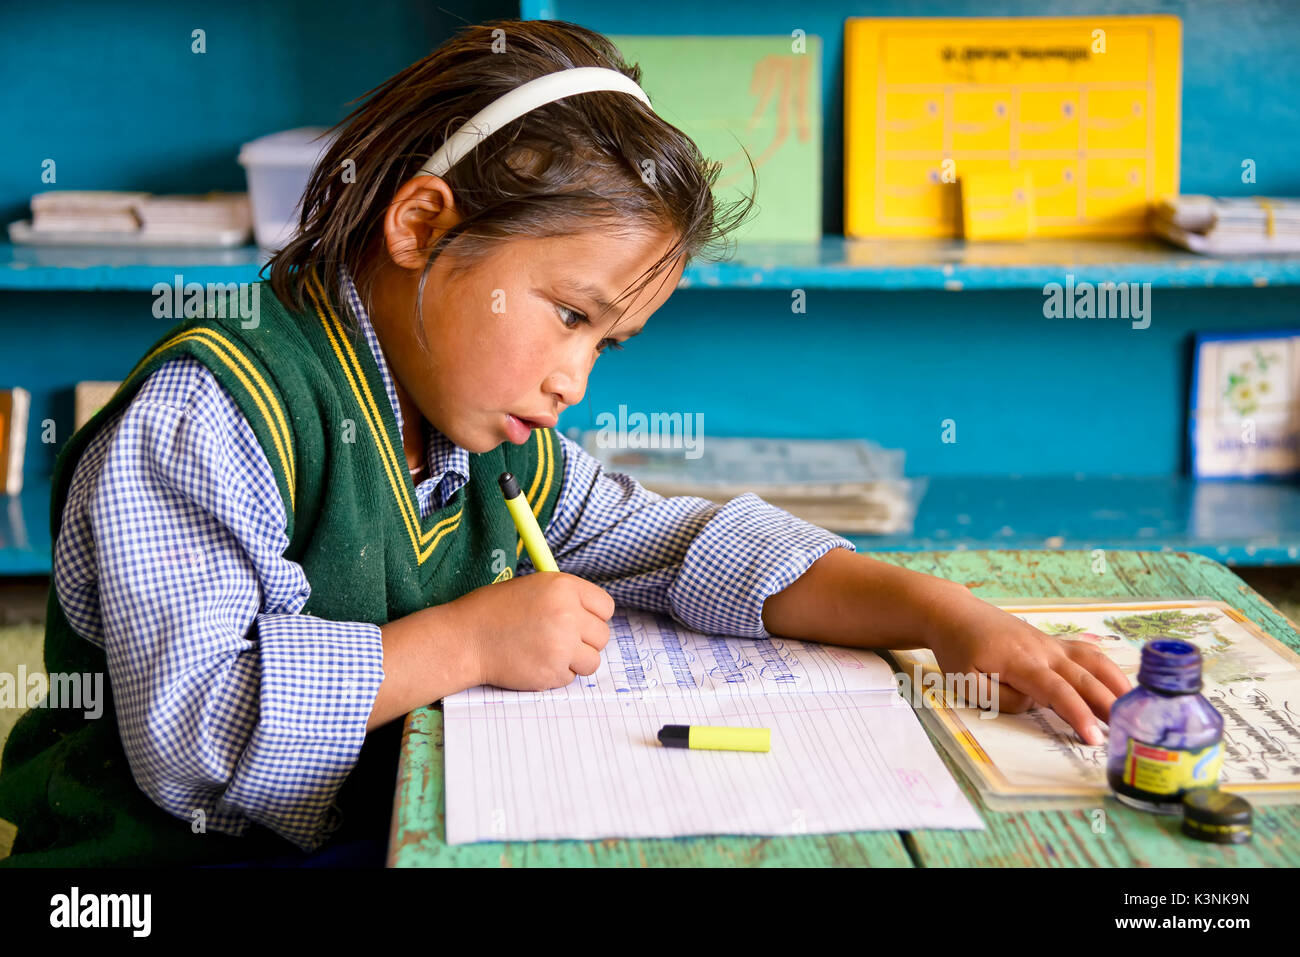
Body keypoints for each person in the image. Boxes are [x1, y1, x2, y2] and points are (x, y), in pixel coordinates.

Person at [0, 18, 1129, 867]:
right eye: (570, 315)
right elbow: (195, 729)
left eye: (609, 344)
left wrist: (948, 619)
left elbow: (679, 545)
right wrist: (467, 645)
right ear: (421, 225)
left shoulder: (481, 430)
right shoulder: (210, 414)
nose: (571, 380)